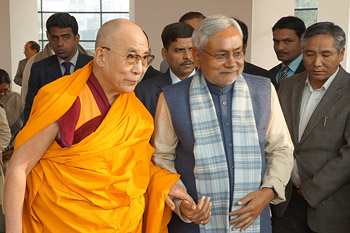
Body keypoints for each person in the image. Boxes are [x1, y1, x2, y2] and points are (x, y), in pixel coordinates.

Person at [4, 18, 193, 233]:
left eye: (145, 58)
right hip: (63, 223)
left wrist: (166, 187)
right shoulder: (64, 98)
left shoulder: (135, 112)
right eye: (131, 57)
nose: (139, 69)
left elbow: (135, 168)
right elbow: (19, 167)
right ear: (101, 56)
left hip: (123, 224)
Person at [152, 14, 294, 233]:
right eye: (221, 55)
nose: (232, 63)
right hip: (194, 224)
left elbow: (281, 148)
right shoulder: (172, 98)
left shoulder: (263, 90)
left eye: (237, 53)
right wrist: (181, 203)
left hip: (253, 220)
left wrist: (268, 192)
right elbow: (161, 158)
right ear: (198, 57)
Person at [272, 21, 350, 233]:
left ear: (341, 53)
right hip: (285, 202)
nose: (317, 62)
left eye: (326, 54)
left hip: (330, 206)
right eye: (310, 54)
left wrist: (312, 190)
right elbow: (275, 136)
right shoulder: (288, 86)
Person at [23, 12, 93, 123]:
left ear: (76, 38)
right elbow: (31, 111)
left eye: (66, 37)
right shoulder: (39, 69)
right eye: (55, 38)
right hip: (49, 134)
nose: (60, 43)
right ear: (48, 37)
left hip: (88, 133)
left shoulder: (92, 66)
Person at [135, 22, 195, 118]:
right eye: (179, 50)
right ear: (164, 54)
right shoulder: (144, 92)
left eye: (191, 49)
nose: (187, 56)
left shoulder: (212, 85)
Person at [270, 16, 306, 90]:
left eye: (287, 41)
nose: (280, 47)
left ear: (302, 41)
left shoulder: (312, 73)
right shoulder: (269, 74)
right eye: (276, 41)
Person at [0, 69, 23, 161]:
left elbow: (26, 127)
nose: (2, 94)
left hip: (15, 153)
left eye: (5, 90)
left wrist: (15, 150)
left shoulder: (17, 99)